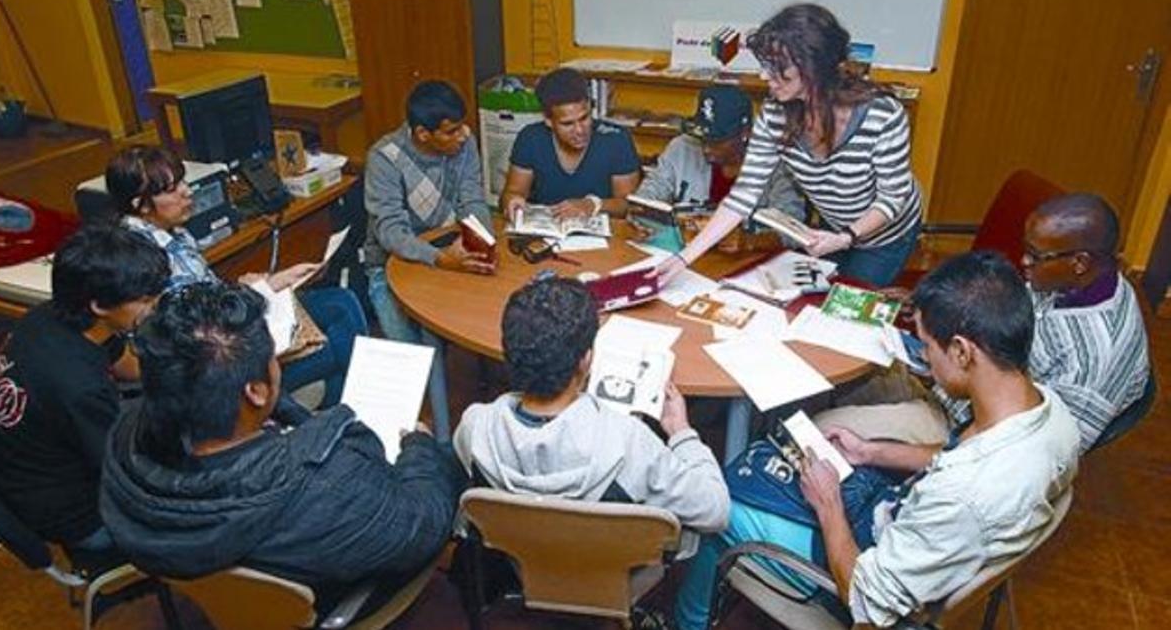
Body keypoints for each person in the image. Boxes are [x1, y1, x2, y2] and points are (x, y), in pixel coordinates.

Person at [674, 251, 1080, 629]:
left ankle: (685, 622)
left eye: (926, 347)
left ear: (961, 351)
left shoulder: (965, 494)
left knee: (718, 500)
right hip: (899, 515)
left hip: (859, 569)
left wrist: (828, 502)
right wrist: (872, 451)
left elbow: (865, 601)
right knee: (775, 454)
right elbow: (958, 455)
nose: (925, 362)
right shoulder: (1050, 413)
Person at [99, 281, 466, 617]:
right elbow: (425, 521)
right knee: (445, 465)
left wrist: (294, 416)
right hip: (326, 600)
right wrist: (419, 446)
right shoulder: (330, 487)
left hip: (220, 597)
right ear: (255, 391)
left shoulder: (124, 439)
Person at [822, 193, 1152, 454]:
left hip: (961, 427)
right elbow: (1003, 309)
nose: (1024, 262)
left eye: (1036, 256)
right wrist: (939, 306)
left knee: (823, 431)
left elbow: (1036, 454)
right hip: (951, 381)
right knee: (824, 375)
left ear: (1080, 263)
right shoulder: (1069, 282)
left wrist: (927, 452)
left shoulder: (1091, 362)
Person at [655, 4, 923, 288]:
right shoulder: (775, 112)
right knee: (816, 293)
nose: (763, 76)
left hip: (886, 231)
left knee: (848, 300)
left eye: (776, 67)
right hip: (835, 224)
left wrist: (847, 237)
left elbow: (893, 198)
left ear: (814, 66)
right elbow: (744, 194)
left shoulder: (882, 114)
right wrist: (685, 258)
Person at [453, 277, 730, 534]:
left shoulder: (474, 426)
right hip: (611, 576)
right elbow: (715, 511)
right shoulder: (629, 442)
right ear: (586, 360)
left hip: (512, 563)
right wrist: (682, 434)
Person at [104, 145, 368, 410]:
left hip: (228, 323)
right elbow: (194, 327)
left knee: (340, 303)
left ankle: (346, 415)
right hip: (214, 360)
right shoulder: (140, 257)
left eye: (183, 180)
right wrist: (252, 293)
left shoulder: (176, 233)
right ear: (140, 204)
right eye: (173, 189)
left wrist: (269, 284)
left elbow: (207, 293)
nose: (187, 191)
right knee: (341, 352)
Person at [0, 225, 168, 553]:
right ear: (100, 306)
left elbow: (128, 364)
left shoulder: (50, 317)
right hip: (76, 514)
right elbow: (130, 472)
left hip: (30, 467)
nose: (156, 307)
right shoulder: (77, 385)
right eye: (147, 300)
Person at [363, 80, 495, 342]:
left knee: (452, 329)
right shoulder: (384, 158)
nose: (462, 136)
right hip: (392, 263)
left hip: (449, 250)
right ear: (423, 134)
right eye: (451, 131)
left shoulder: (464, 144)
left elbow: (472, 200)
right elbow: (390, 233)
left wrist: (482, 242)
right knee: (412, 354)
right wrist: (440, 258)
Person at [633, 83, 804, 253]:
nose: (706, 148)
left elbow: (793, 228)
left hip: (747, 263)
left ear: (745, 133)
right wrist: (642, 219)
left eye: (717, 140)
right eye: (703, 137)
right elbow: (647, 196)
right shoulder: (682, 147)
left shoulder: (774, 161)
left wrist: (751, 241)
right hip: (688, 254)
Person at [500, 68, 641, 219]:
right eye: (567, 124)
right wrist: (512, 201)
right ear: (548, 121)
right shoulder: (530, 138)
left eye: (584, 118)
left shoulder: (617, 140)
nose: (580, 130)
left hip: (604, 237)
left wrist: (592, 205)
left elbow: (628, 206)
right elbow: (513, 192)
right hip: (545, 235)